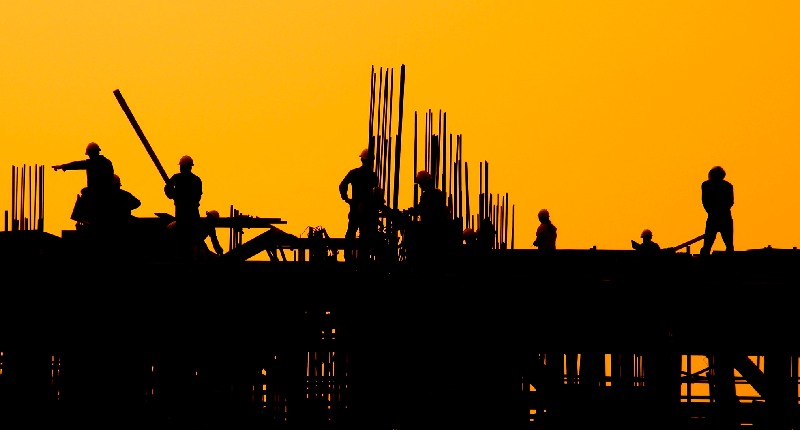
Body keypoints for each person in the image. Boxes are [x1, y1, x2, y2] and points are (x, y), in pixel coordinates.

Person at [52, 141, 115, 227]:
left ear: (92, 153)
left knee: (84, 196)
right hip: (106, 191)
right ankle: (84, 219)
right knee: (85, 193)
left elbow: (77, 165)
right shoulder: (107, 162)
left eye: (89, 154)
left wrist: (62, 166)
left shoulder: (94, 163)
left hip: (99, 193)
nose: (89, 156)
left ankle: (82, 218)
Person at [405, 170, 455, 264]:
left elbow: (423, 209)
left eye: (420, 184)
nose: (420, 186)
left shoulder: (429, 195)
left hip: (432, 229)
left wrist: (412, 211)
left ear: (425, 183)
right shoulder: (437, 194)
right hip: (438, 229)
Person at [339, 148, 379, 262]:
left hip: (356, 207)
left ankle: (348, 256)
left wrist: (346, 198)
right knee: (364, 234)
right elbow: (375, 191)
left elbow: (342, 185)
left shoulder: (354, 173)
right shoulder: (372, 176)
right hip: (367, 210)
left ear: (362, 160)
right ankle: (363, 258)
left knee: (351, 232)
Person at [699, 166, 734, 256]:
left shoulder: (707, 185)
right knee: (709, 242)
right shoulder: (727, 186)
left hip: (719, 216)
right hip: (722, 216)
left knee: (726, 243)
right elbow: (730, 202)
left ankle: (705, 257)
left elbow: (705, 201)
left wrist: (713, 211)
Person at [164, 155, 203, 226]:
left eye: (182, 166)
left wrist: (175, 195)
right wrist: (173, 194)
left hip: (185, 212)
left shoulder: (177, 178)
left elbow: (168, 190)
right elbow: (168, 189)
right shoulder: (196, 179)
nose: (181, 168)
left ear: (189, 167)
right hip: (188, 212)